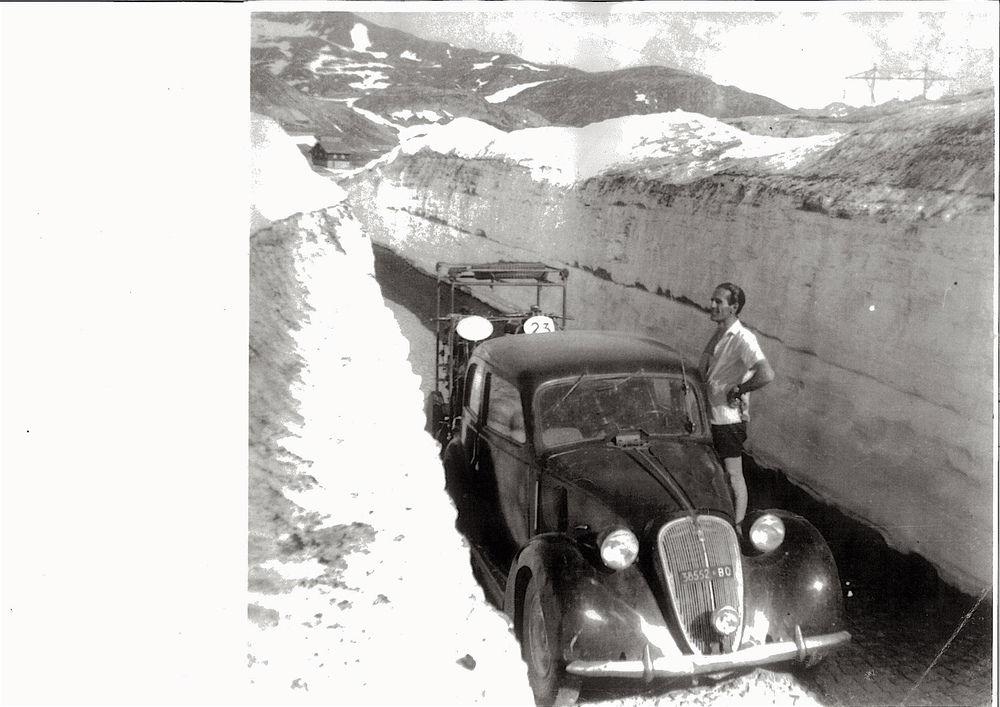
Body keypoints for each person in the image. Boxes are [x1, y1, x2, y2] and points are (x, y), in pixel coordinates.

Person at [700, 282, 774, 527]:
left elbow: (766, 374)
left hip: (727, 420)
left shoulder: (743, 338)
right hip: (708, 415)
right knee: (711, 472)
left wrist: (740, 389)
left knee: (733, 475)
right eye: (712, 300)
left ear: (733, 307)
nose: (712, 305)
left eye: (718, 302)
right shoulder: (719, 333)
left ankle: (738, 526)